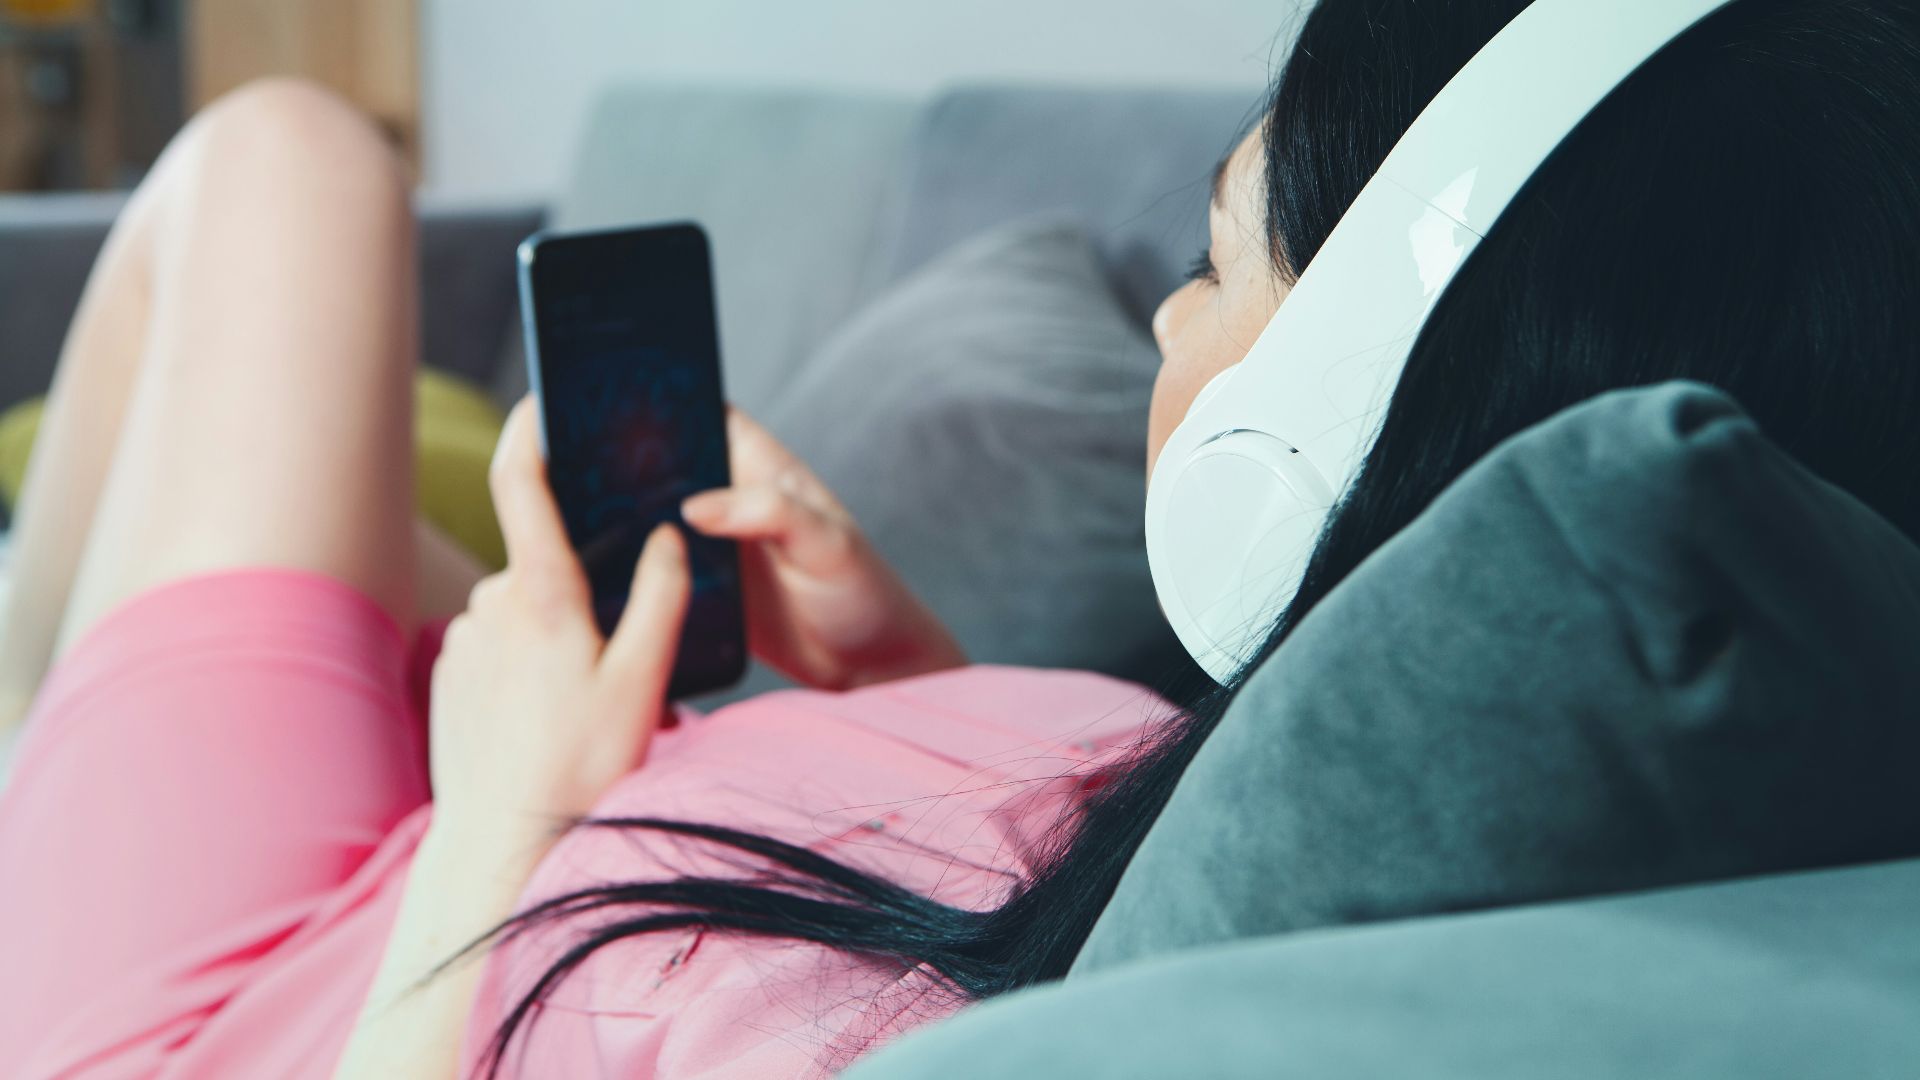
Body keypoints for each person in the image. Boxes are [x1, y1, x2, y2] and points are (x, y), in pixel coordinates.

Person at [4, 0, 1920, 1076]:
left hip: (292, 982)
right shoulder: (1300, 770)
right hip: (515, 807)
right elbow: (1007, 899)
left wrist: (499, 825)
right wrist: (901, 669)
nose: (1164, 325)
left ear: (1320, 441)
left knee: (284, 166)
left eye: (1210, 264)